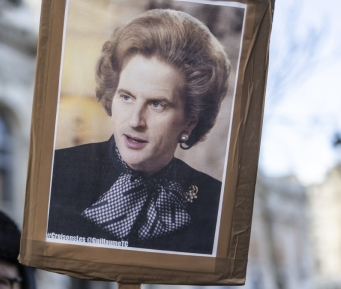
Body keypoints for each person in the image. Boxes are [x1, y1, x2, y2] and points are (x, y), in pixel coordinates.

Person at [48, 9, 230, 254]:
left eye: (157, 104)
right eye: (126, 97)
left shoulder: (215, 202)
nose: (135, 121)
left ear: (190, 121)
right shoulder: (56, 173)